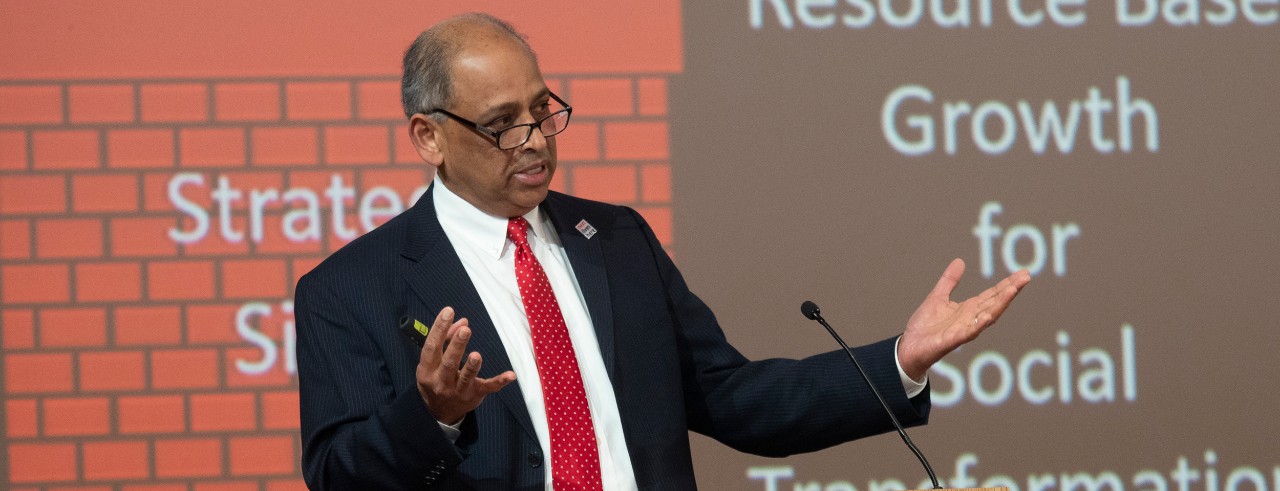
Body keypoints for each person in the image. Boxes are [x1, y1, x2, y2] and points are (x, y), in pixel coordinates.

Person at [295, 12, 1030, 491]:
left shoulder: (615, 241)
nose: (537, 140)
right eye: (502, 124)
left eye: (542, 110)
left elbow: (734, 398)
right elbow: (337, 476)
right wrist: (434, 415)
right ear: (428, 136)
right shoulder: (351, 289)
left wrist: (900, 358)